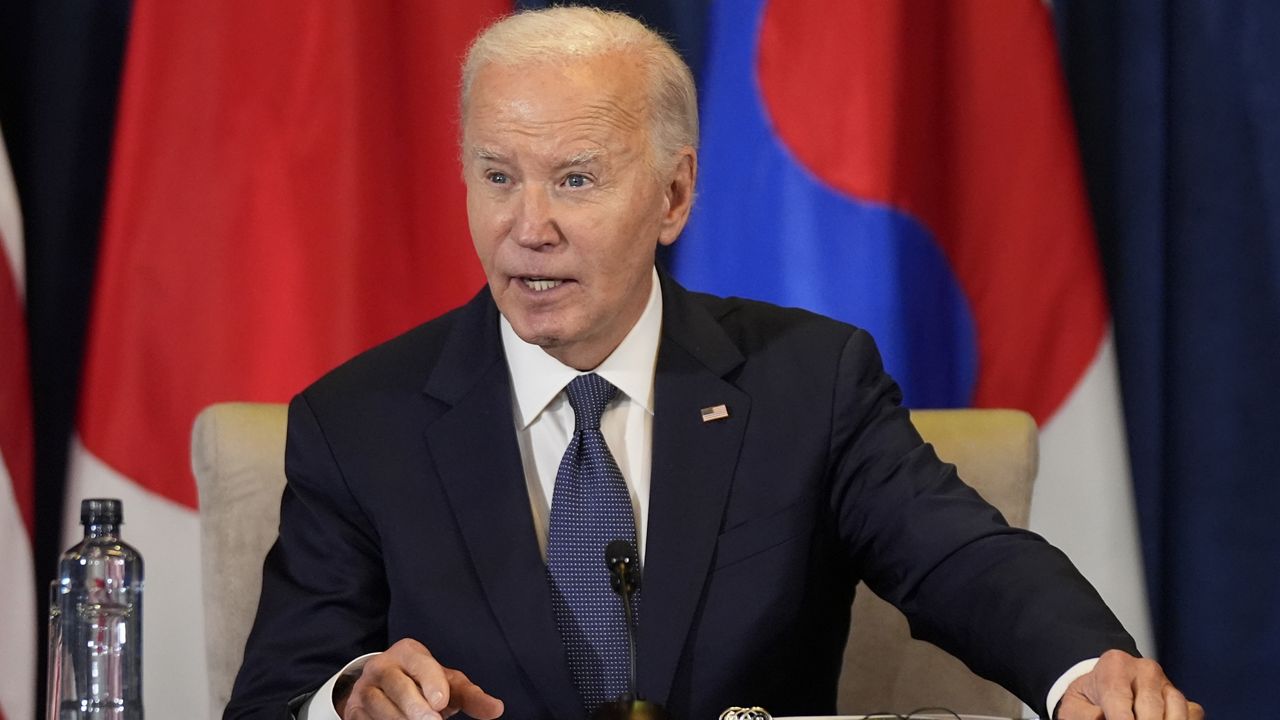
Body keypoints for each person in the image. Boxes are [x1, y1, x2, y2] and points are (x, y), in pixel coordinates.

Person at [225, 8, 1202, 720]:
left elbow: (959, 559)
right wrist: (346, 698)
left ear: (673, 195)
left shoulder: (807, 381)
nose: (527, 228)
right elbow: (278, 692)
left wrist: (1085, 677)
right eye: (495, 176)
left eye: (574, 179)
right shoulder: (359, 424)